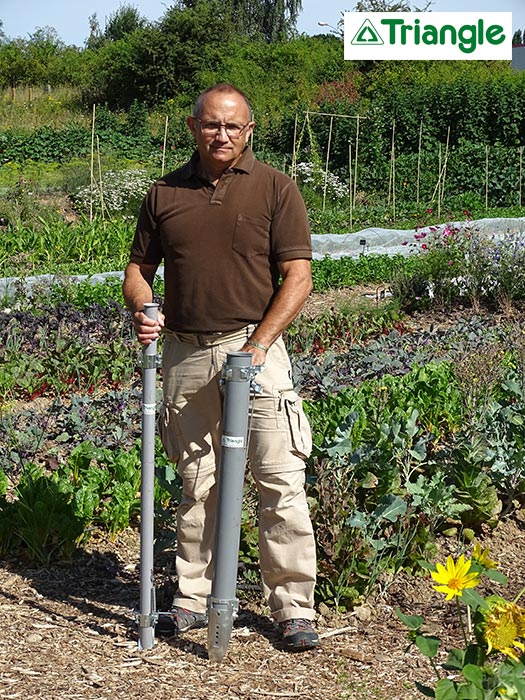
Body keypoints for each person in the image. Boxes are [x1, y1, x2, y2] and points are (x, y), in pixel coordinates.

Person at [122, 83, 318, 652]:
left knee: (278, 477)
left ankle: (293, 607)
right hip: (183, 352)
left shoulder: (276, 188)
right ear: (193, 127)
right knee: (197, 482)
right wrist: (144, 306)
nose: (222, 135)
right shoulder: (164, 193)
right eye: (212, 125)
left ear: (249, 131)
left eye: (233, 126)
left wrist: (258, 346)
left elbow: (298, 278)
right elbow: (138, 268)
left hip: (252, 351)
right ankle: (191, 598)